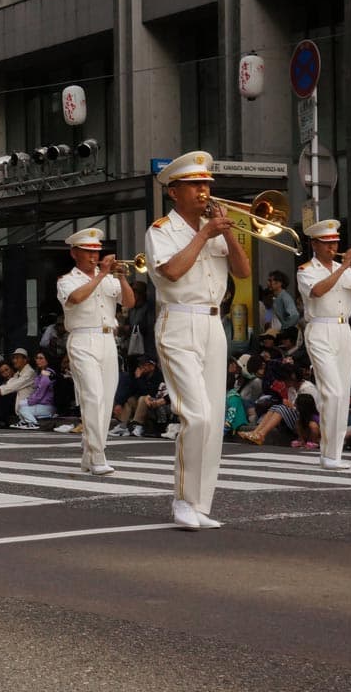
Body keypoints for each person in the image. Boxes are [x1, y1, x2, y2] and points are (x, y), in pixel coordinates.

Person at [144, 150, 251, 530]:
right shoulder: (161, 231)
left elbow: (242, 271)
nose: (204, 191)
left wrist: (229, 232)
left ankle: (201, 503)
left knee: (213, 418)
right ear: (174, 192)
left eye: (206, 184)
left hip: (212, 325)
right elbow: (171, 271)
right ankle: (183, 500)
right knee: (196, 415)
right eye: (195, 185)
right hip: (178, 323)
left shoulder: (215, 226)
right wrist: (205, 234)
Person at [56, 227, 134, 474]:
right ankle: (98, 455)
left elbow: (129, 303)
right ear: (74, 253)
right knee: (93, 396)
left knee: (106, 400)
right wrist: (101, 275)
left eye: (97, 251)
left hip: (108, 340)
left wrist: (120, 277)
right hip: (82, 339)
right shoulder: (67, 280)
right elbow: (76, 298)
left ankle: (89, 454)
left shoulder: (110, 278)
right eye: (88, 252)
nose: (94, 256)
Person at [295, 219, 351, 470]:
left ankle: (334, 453)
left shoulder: (345, 268)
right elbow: (317, 291)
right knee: (331, 391)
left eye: (335, 242)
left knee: (343, 392)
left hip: (343, 329)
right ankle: (327, 450)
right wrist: (344, 266)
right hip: (320, 328)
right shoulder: (306, 269)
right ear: (314, 244)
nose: (332, 246)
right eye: (326, 243)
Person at [0, 348, 37, 427]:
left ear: (25, 359)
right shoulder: (18, 373)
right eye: (14, 358)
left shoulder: (29, 372)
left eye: (17, 358)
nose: (14, 360)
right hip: (20, 404)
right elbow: (9, 384)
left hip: (28, 404)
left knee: (3, 395)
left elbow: (15, 385)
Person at [16, 349, 58, 429]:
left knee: (22, 407)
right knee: (21, 405)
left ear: (47, 360)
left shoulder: (48, 373)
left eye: (41, 358)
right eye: (36, 358)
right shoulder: (42, 372)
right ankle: (24, 422)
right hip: (42, 405)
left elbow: (40, 392)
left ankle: (33, 423)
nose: (37, 360)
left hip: (47, 406)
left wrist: (29, 401)